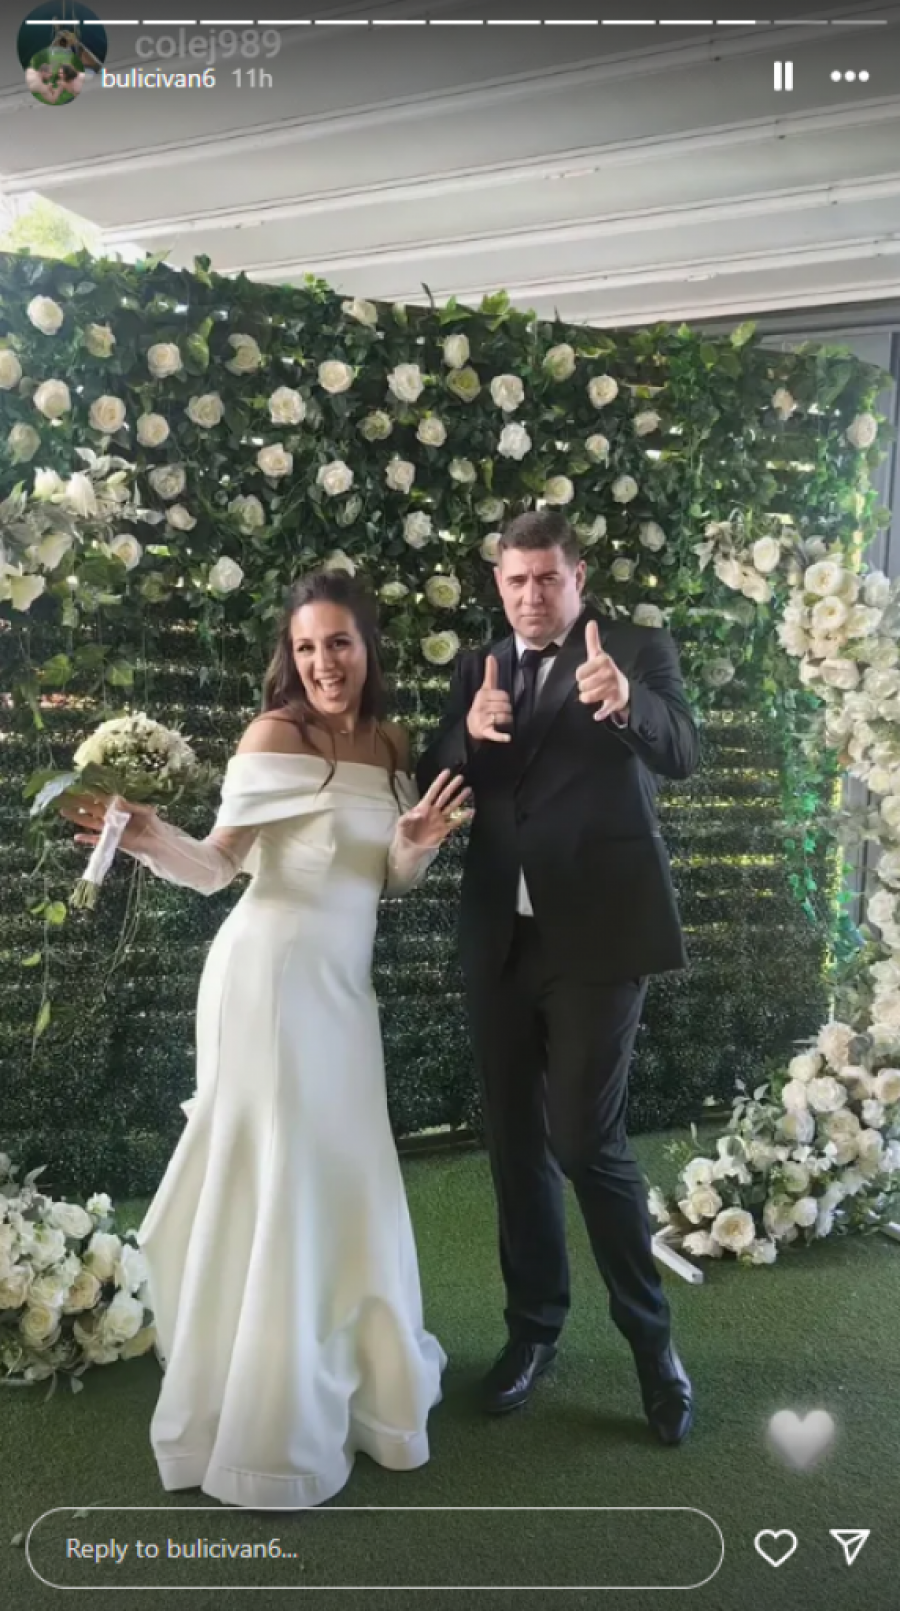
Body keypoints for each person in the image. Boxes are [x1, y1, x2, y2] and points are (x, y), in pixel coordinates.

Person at [62, 570, 470, 1509]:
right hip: (269, 982)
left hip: (343, 991)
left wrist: (415, 845)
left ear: (368, 647)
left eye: (340, 643)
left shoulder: (392, 742)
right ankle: (266, 1411)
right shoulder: (273, 736)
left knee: (347, 1173)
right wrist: (148, 837)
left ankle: (350, 1374)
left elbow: (386, 879)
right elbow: (218, 867)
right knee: (284, 1173)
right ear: (290, 656)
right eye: (306, 646)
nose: (324, 663)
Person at [417, 508, 700, 1446]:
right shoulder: (479, 667)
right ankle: (533, 1331)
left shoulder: (637, 650)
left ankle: (653, 1346)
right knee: (513, 1144)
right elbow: (433, 777)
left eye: (547, 578)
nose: (531, 595)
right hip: (501, 943)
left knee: (584, 1141)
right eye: (516, 580)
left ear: (578, 577)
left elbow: (682, 752)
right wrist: (466, 734)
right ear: (498, 584)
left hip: (599, 941)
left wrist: (626, 703)